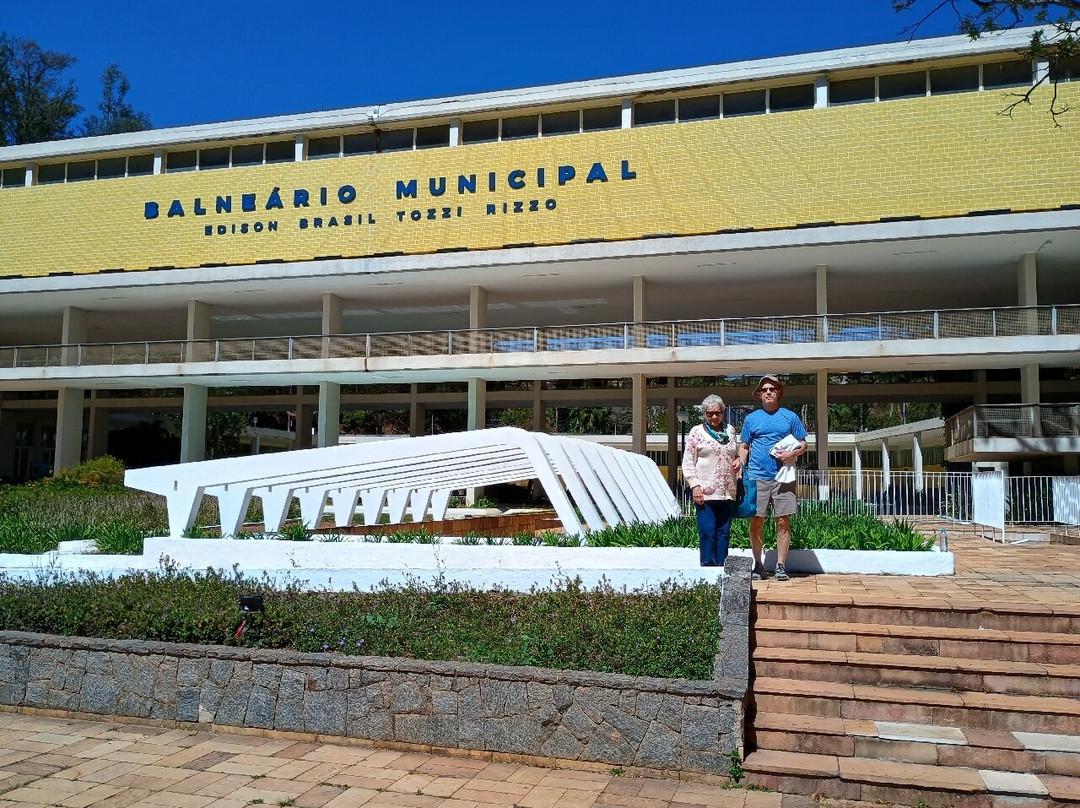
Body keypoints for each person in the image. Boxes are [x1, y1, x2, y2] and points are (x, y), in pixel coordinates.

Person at [737, 375, 808, 581]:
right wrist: (740, 466)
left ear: (778, 393)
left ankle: (780, 566)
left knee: (783, 521)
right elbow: (744, 446)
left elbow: (803, 443)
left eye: (772, 389)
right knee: (756, 521)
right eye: (764, 389)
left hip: (783, 477)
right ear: (759, 394)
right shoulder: (751, 419)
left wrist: (792, 454)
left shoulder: (790, 417)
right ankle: (758, 565)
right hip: (757, 477)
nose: (768, 392)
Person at [681, 394, 742, 567]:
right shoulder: (697, 432)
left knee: (724, 533)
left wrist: (738, 460)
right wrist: (695, 486)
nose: (714, 416)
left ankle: (722, 568)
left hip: (727, 491)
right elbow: (688, 461)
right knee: (707, 531)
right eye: (710, 413)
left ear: (723, 412)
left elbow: (734, 453)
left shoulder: (730, 431)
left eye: (718, 413)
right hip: (705, 492)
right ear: (704, 414)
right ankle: (708, 569)